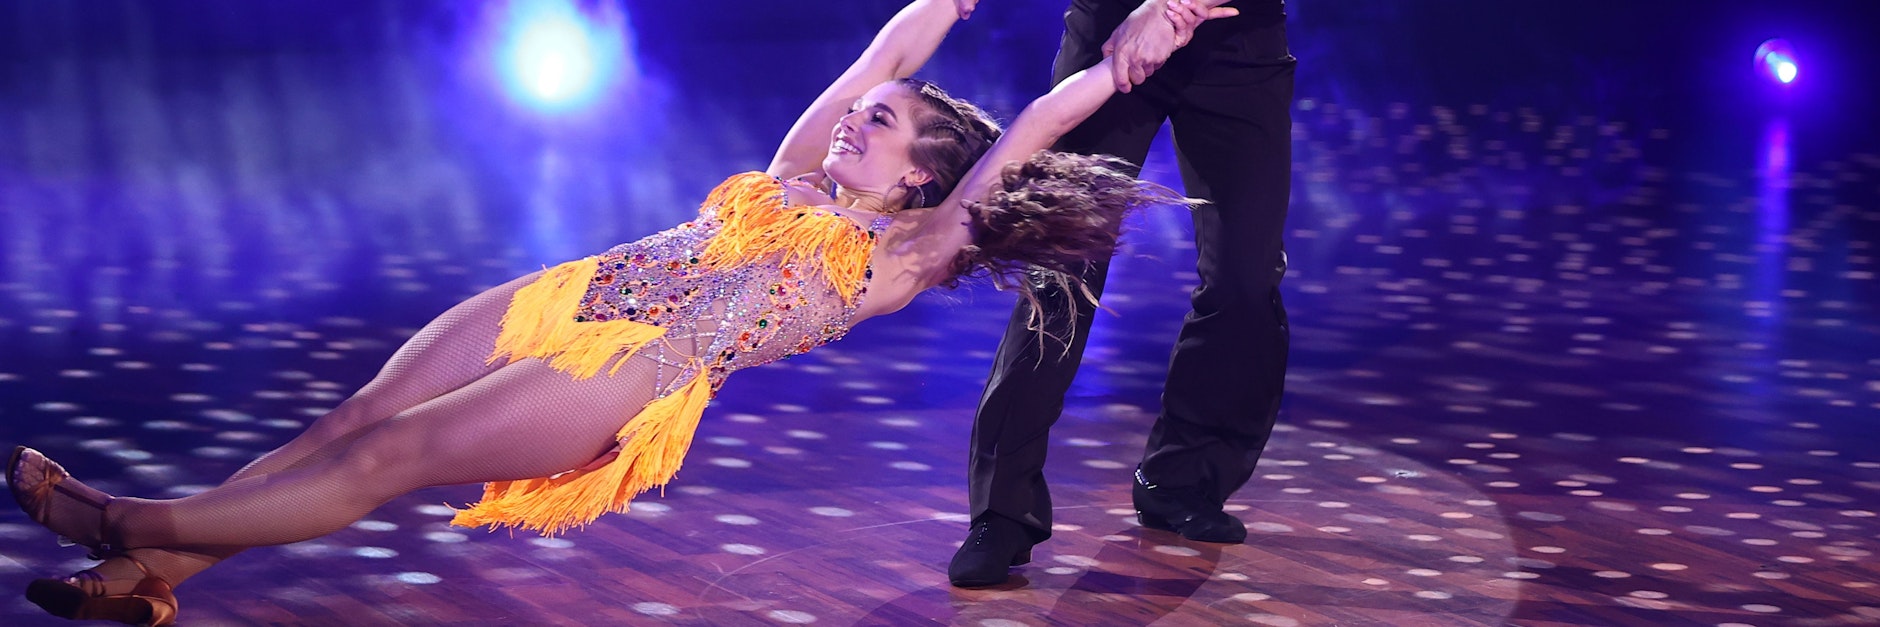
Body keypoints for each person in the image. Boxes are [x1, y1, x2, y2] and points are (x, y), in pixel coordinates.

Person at [6, 0, 1239, 624]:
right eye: (871, 111)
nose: (865, 116)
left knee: (386, 461)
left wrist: (1129, 58)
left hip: (637, 367)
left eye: (889, 123)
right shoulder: (792, 170)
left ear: (921, 172)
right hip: (573, 291)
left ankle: (117, 518)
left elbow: (1033, 127)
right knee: (357, 420)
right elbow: (882, 48)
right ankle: (151, 579)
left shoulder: (914, 246)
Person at [948, 0, 1294, 587]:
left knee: (1246, 276)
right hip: (1114, 26)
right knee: (1062, 268)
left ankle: (1182, 478)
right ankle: (1001, 513)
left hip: (1241, 41)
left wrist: (1174, 7)